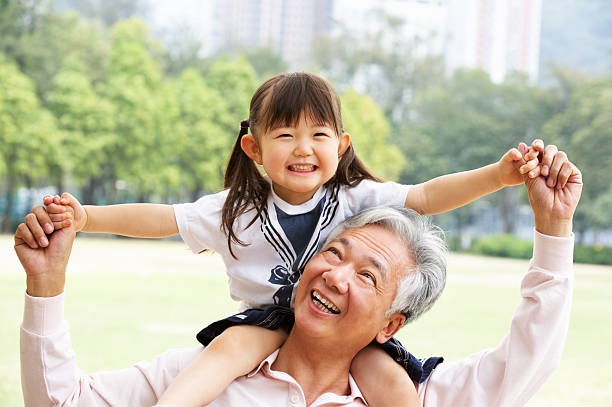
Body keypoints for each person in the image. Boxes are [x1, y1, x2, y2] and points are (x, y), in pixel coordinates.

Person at [23, 72, 557, 407]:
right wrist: (86, 216)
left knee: (394, 382)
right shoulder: (234, 210)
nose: (303, 149)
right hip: (264, 323)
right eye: (285, 135)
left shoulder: (357, 200)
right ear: (254, 148)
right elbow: (161, 218)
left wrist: (499, 176)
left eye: (319, 134)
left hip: (347, 337)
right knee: (225, 353)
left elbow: (427, 195)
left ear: (342, 144)